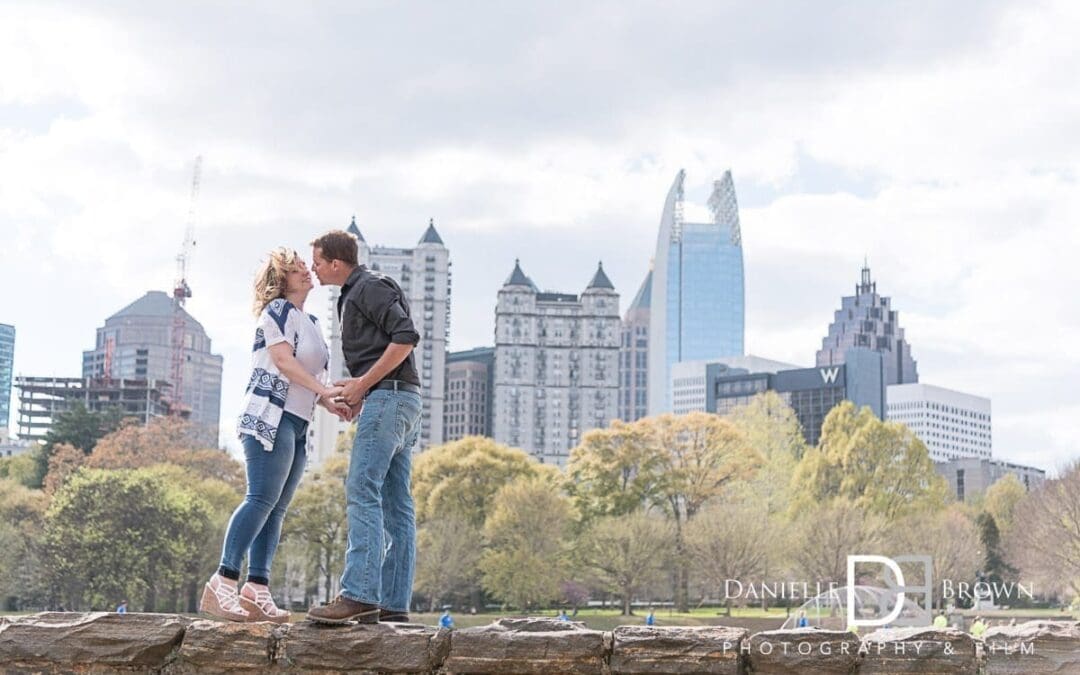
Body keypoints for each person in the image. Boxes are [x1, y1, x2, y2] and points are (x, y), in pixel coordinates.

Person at [201, 248, 347, 623]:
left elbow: (313, 383)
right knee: (260, 498)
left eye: (303, 267)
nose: (306, 271)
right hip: (270, 417)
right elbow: (284, 362)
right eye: (297, 269)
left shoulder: (311, 321)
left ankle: (257, 587)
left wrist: (333, 401)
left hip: (297, 425)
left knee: (276, 508)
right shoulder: (277, 312)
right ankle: (223, 580)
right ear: (281, 281)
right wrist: (324, 391)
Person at [306, 230, 423, 625]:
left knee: (361, 488)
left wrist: (362, 384)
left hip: (390, 398)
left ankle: (358, 594)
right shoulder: (358, 291)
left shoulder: (367, 287)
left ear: (336, 263)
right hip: (397, 399)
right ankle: (392, 604)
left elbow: (406, 338)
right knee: (396, 505)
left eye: (317, 262)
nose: (313, 269)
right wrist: (361, 393)